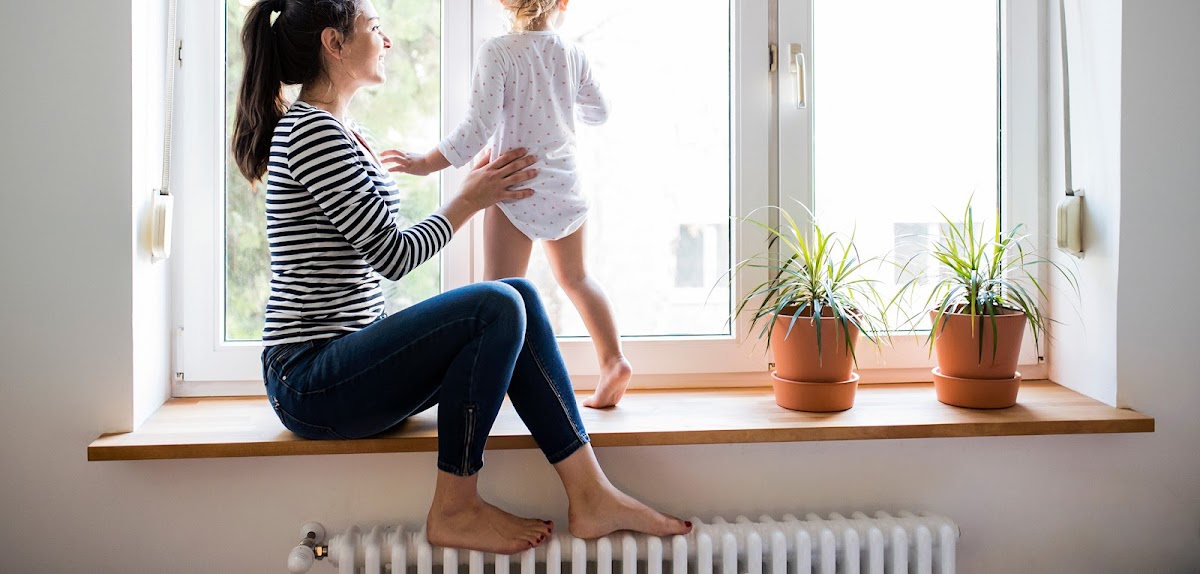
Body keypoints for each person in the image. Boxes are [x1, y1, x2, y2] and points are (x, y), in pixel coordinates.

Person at [231, 0, 690, 555]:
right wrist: (469, 200)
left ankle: (590, 494)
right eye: (374, 27)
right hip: (309, 378)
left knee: (516, 294)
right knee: (496, 304)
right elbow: (393, 255)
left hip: (343, 363)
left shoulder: (343, 131)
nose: (387, 40)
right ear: (334, 43)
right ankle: (455, 506)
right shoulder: (312, 134)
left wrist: (473, 190)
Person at [388, 0, 631, 409]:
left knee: (498, 294)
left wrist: (426, 164)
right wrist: (563, 103)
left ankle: (493, 383)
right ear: (563, 2)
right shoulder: (573, 54)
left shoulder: (497, 51)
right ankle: (614, 361)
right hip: (564, 185)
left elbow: (476, 129)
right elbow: (600, 112)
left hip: (513, 187)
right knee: (577, 278)